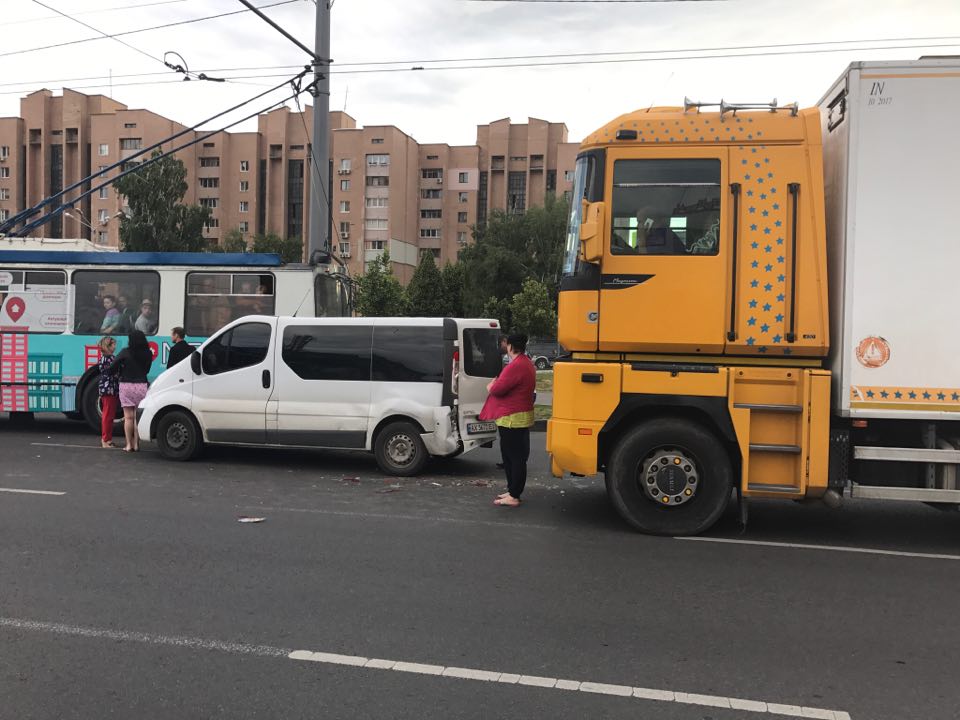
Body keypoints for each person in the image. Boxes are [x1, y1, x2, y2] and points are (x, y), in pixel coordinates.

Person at [479, 333, 536, 507]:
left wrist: (490, 386)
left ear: (510, 346)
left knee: (514, 457)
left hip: (512, 418)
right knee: (513, 456)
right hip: (518, 417)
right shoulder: (526, 363)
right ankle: (512, 491)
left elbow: (497, 389)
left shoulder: (516, 366)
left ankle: (514, 495)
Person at [106, 329, 153, 452]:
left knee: (128, 417)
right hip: (141, 385)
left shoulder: (125, 352)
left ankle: (128, 445)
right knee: (137, 417)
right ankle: (137, 444)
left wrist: (118, 372)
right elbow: (147, 370)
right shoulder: (148, 353)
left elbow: (112, 368)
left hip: (126, 386)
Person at [97, 336, 120, 448]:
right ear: (108, 346)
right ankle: (106, 440)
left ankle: (107, 439)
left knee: (108, 414)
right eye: (113, 344)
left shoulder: (105, 358)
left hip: (107, 388)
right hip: (109, 388)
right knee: (108, 415)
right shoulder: (110, 359)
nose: (115, 346)